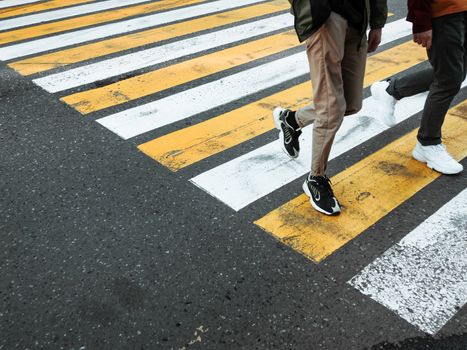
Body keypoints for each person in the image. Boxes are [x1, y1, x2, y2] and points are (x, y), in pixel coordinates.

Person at [273, 0, 387, 216]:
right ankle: (315, 178)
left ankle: (292, 120)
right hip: (326, 14)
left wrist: (378, 22)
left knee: (351, 103)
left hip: (358, 19)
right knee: (331, 108)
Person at [371, 0, 466, 175]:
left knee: (455, 74)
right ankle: (427, 143)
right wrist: (421, 21)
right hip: (443, 10)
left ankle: (391, 90)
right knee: (448, 80)